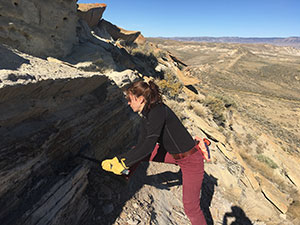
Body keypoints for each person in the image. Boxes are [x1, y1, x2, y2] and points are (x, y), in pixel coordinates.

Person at [101, 80, 207, 225]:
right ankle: (124, 176)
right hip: (174, 155)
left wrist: (123, 162)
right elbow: (141, 145)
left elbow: (149, 146)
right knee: (136, 151)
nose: (128, 103)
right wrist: (119, 160)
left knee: (191, 208)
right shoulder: (146, 113)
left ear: (140, 99)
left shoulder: (157, 111)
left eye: (130, 99)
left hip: (191, 161)